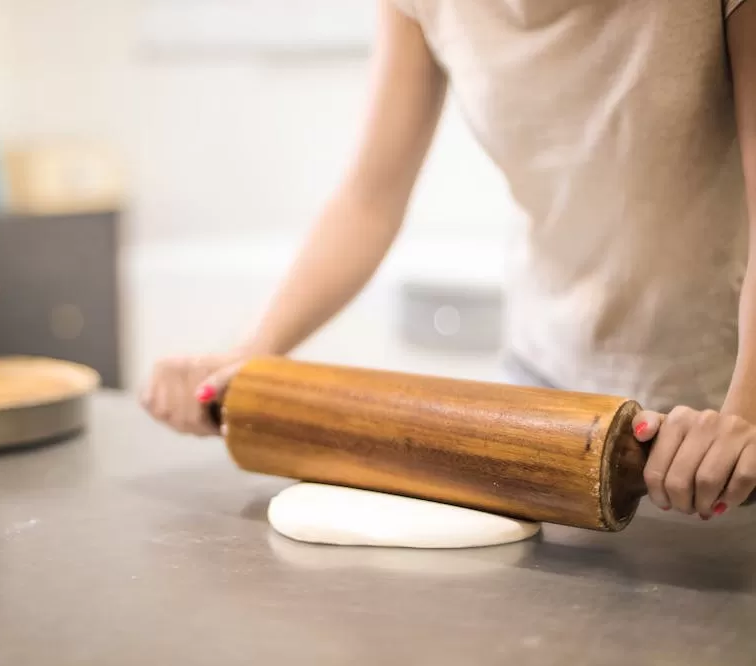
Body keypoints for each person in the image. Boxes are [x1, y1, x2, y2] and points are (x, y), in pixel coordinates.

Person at [142, 0, 756, 520]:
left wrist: (742, 418)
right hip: (549, 400)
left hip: (717, 410)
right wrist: (256, 349)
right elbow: (369, 198)